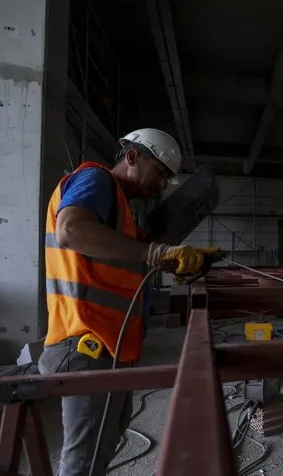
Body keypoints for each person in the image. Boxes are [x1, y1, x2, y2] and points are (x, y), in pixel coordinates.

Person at [38, 128, 216, 476]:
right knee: (83, 462)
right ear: (133, 157)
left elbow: (118, 269)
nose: (163, 185)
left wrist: (170, 260)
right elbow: (71, 230)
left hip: (108, 345)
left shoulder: (121, 212)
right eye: (160, 173)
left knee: (103, 444)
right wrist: (154, 252)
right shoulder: (96, 180)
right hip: (85, 341)